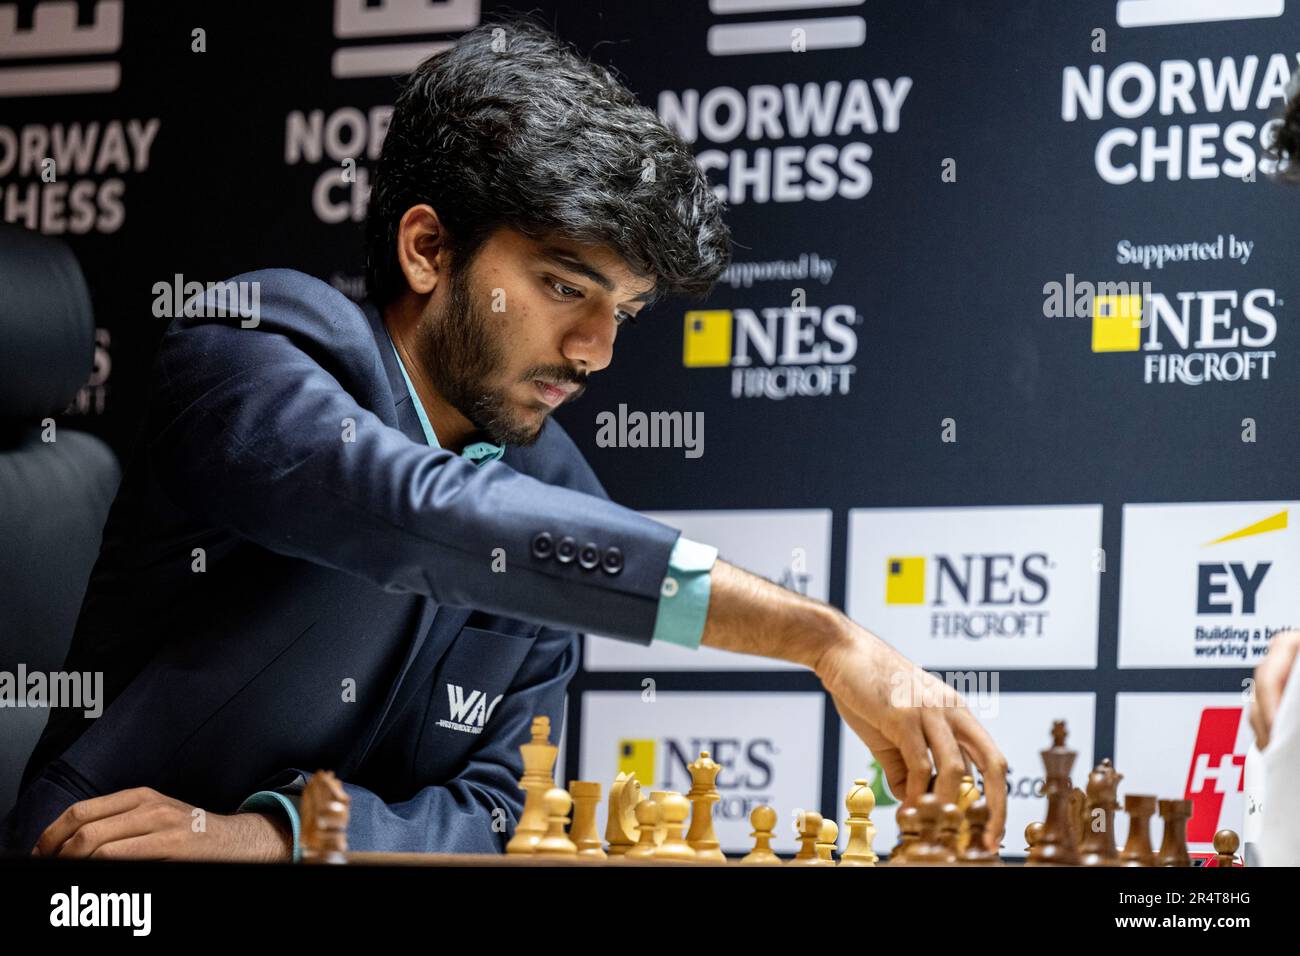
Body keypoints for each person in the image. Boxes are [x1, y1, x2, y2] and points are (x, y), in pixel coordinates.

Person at [3, 13, 1005, 861]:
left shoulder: (550, 487)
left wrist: (279, 834)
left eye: (626, 309)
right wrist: (818, 636)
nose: (597, 349)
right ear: (429, 248)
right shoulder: (255, 351)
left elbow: (496, 811)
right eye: (566, 287)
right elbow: (415, 518)